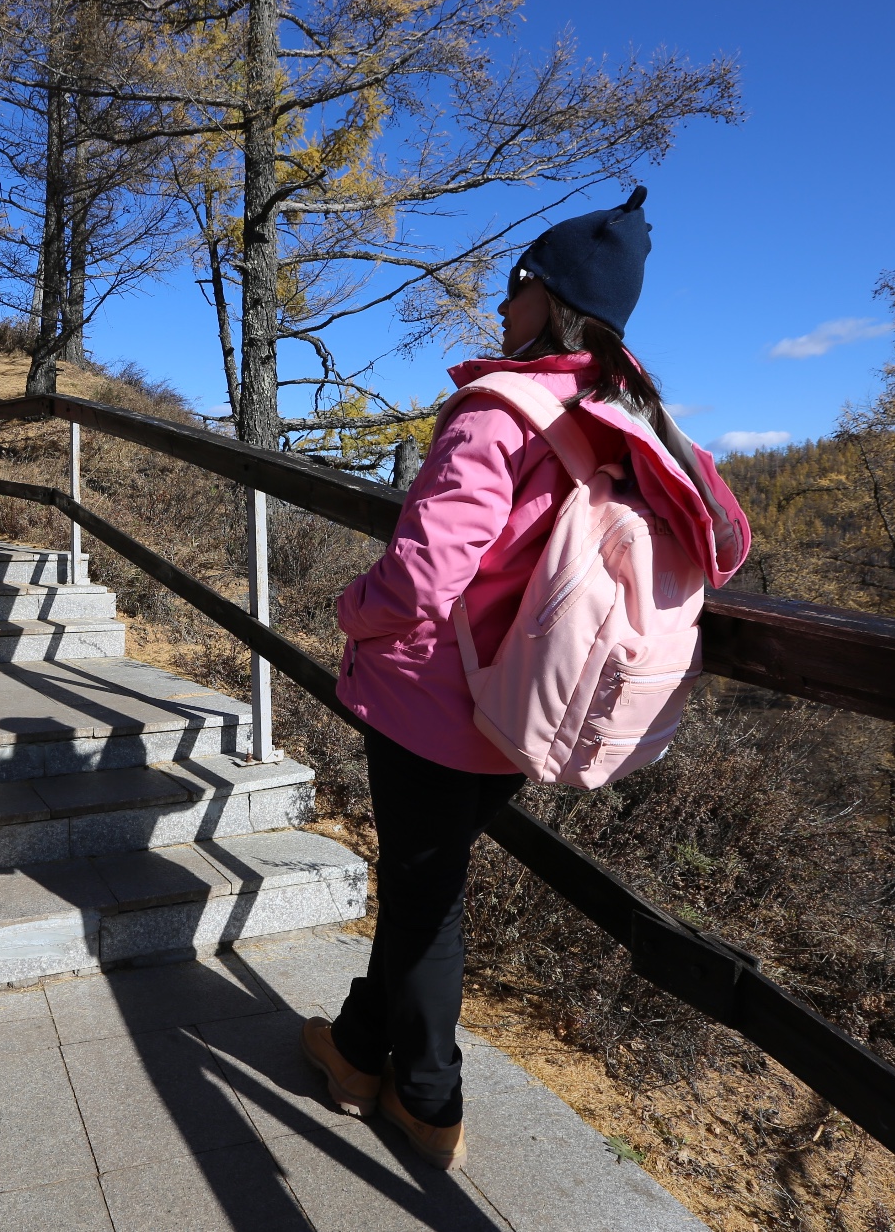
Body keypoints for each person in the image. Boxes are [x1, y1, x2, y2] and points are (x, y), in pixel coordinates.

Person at [298, 188, 751, 1169]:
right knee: (423, 885)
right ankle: (350, 1047)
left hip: (432, 701)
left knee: (426, 900)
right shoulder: (638, 422)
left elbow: (421, 577)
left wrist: (346, 609)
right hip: (530, 706)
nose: (499, 310)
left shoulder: (497, 413)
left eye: (515, 290)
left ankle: (426, 1102)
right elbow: (723, 548)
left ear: (550, 303)